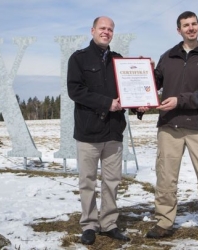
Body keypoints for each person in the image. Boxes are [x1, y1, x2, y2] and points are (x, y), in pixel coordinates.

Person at [145, 11, 198, 244]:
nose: (190, 28)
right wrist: (146, 73)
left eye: (194, 24)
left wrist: (179, 100)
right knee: (166, 177)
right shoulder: (167, 56)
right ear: (178, 30)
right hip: (169, 125)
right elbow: (154, 85)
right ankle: (163, 222)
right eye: (185, 25)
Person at [67, 16, 134, 245]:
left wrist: (139, 103)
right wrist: (106, 103)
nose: (106, 32)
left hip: (113, 131)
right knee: (87, 181)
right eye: (102, 28)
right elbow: (75, 91)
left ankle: (109, 223)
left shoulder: (119, 61)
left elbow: (128, 91)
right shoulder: (79, 59)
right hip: (88, 132)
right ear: (92, 30)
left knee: (112, 181)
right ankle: (89, 224)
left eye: (110, 29)